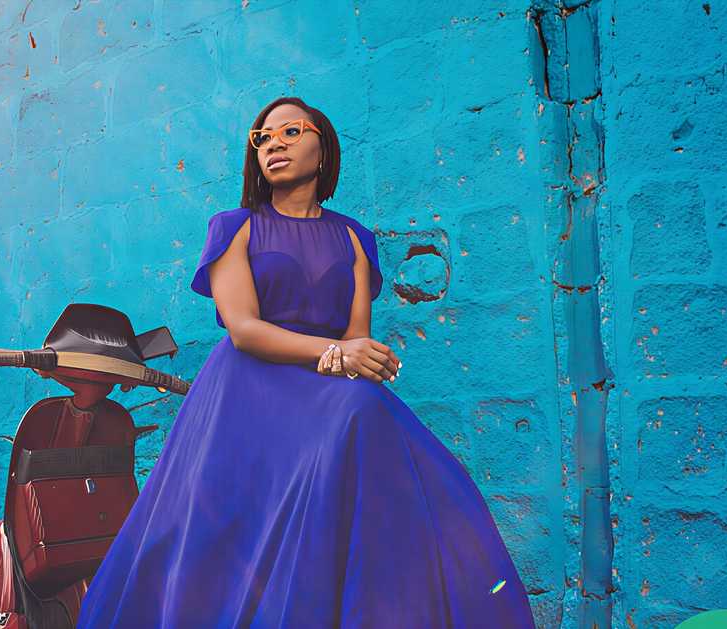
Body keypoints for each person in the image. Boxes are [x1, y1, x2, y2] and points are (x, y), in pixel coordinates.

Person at [76, 97, 536, 628]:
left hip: (325, 391)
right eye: (263, 137)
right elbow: (244, 328)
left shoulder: (353, 238)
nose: (274, 143)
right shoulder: (235, 227)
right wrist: (337, 354)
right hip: (246, 394)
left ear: (324, 150)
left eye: (291, 131)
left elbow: (355, 336)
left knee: (387, 437)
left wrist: (365, 357)